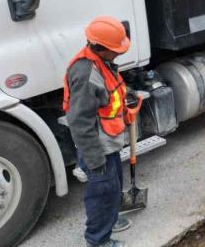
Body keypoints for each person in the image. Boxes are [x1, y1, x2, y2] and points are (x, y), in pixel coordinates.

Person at [63, 16, 139, 247]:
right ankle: (98, 241)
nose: (119, 53)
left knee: (113, 185)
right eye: (116, 50)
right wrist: (95, 159)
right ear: (102, 48)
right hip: (97, 147)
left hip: (109, 140)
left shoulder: (100, 62)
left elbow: (109, 92)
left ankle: (111, 220)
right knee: (102, 193)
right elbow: (79, 122)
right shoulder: (86, 74)